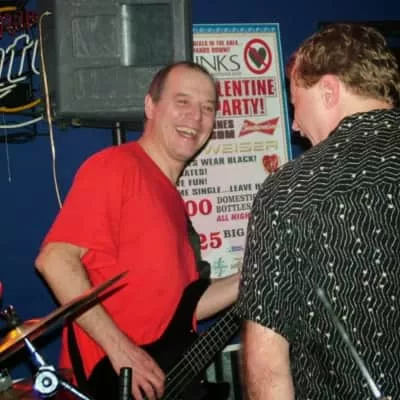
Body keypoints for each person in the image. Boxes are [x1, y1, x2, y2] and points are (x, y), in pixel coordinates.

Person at [35, 61, 239, 400]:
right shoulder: (116, 167)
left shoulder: (172, 200)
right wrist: (122, 350)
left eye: (208, 108)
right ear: (150, 107)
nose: (196, 117)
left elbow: (185, 309)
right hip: (108, 384)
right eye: (183, 102)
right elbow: (54, 260)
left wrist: (255, 276)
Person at [236, 23, 400, 400]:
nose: (295, 125)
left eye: (296, 104)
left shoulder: (288, 191)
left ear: (329, 90)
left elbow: (267, 369)